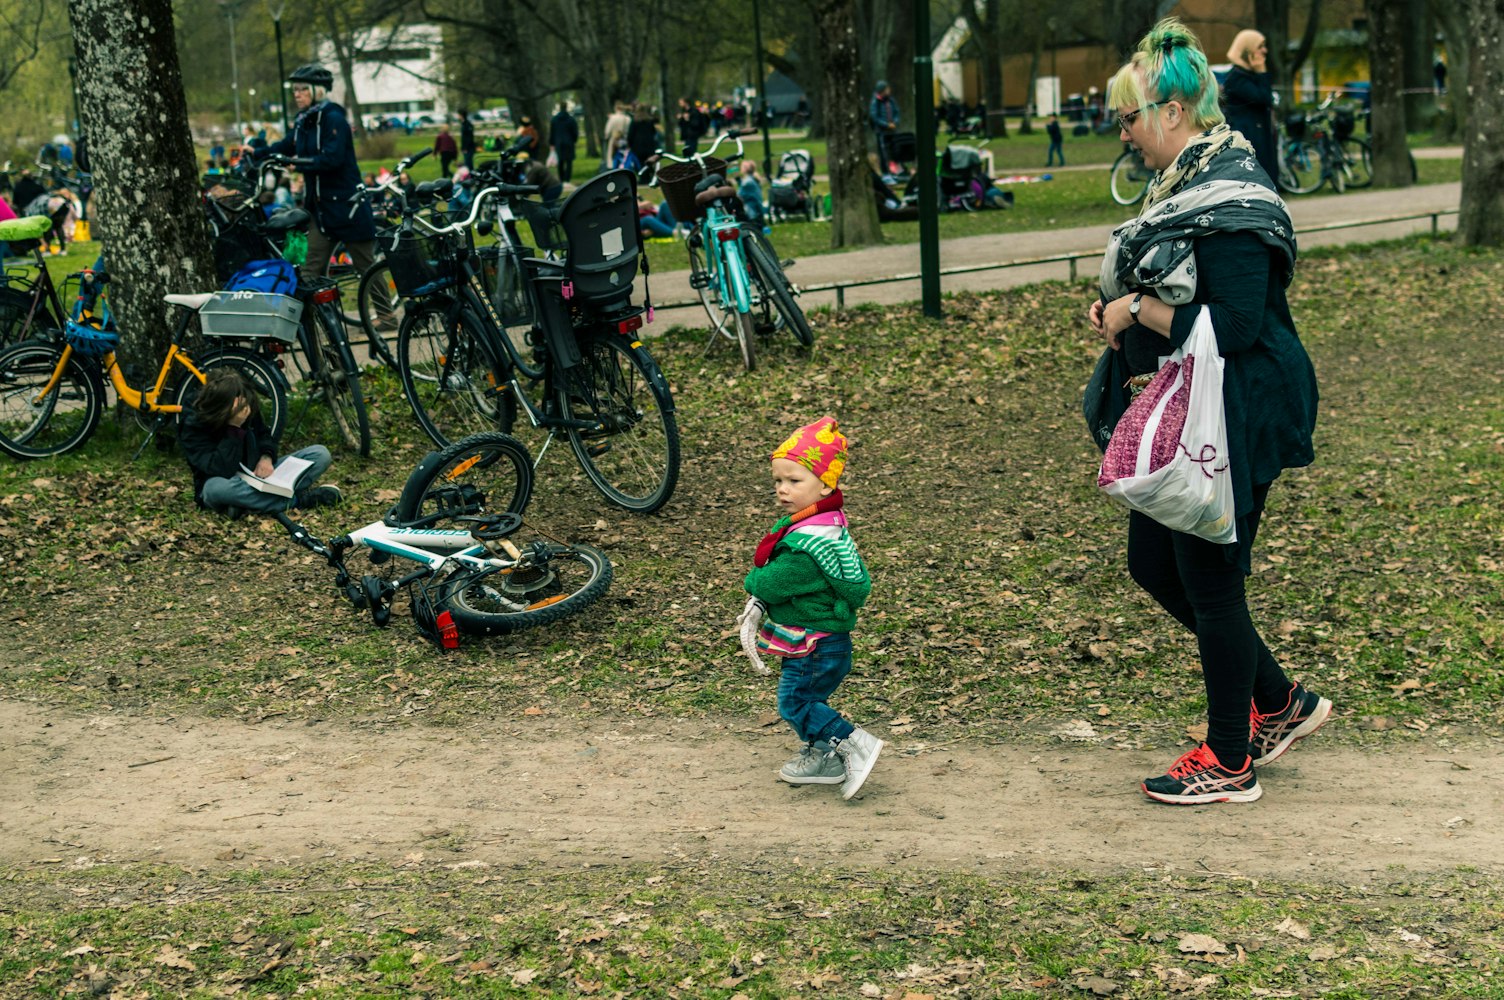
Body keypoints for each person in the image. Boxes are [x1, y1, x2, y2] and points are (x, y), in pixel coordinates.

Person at [1087, 18, 1326, 806]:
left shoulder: (1231, 195)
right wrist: (1121, 315)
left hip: (1242, 409)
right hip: (1198, 406)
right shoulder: (1186, 188)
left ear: (1174, 112)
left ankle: (1229, 760)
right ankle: (1280, 702)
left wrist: (1136, 310)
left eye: (1129, 117)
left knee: (1211, 580)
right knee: (1153, 564)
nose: (1125, 134)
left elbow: (1236, 326)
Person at [737, 417, 882, 801]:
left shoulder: (808, 544)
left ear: (826, 484)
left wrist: (754, 581)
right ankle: (824, 759)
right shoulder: (822, 526)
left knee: (795, 702)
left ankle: (853, 742)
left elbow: (768, 581)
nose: (783, 489)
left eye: (794, 480)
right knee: (807, 700)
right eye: (778, 481)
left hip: (814, 643)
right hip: (822, 640)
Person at [257, 64, 379, 286]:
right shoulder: (303, 120)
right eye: (295, 90)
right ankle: (319, 310)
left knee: (367, 269)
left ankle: (385, 310)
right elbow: (285, 146)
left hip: (347, 207)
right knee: (308, 272)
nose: (297, 94)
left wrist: (299, 164)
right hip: (320, 211)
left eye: (303, 89)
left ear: (318, 91)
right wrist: (256, 153)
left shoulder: (334, 119)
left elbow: (333, 159)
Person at [180, 368, 341, 517]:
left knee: (320, 454)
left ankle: (246, 504)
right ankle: (298, 501)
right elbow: (219, 469)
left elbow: (264, 435)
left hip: (257, 475)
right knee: (215, 490)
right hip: (224, 481)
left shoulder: (245, 405)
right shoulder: (193, 424)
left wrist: (266, 457)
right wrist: (234, 428)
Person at [1222, 29, 1278, 182]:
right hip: (1249, 138)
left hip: (1260, 138)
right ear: (1246, 51)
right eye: (1260, 47)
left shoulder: (1248, 76)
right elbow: (1264, 98)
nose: (1264, 51)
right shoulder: (1237, 78)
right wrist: (1262, 72)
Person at [868, 80, 900, 168]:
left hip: (892, 130)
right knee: (883, 151)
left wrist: (895, 122)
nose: (889, 90)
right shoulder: (876, 102)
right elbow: (874, 117)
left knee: (894, 149)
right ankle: (885, 168)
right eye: (886, 89)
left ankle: (895, 167)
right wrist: (886, 125)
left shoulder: (891, 100)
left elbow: (896, 111)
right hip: (881, 131)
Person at [550, 101, 579, 183]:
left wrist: (552, 143)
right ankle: (567, 179)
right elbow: (575, 132)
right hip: (569, 142)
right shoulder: (571, 119)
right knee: (569, 161)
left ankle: (561, 178)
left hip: (558, 143)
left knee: (560, 161)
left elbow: (552, 133)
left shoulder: (554, 119)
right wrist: (574, 140)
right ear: (566, 107)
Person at [737, 159, 768, 234]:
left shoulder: (747, 182)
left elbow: (739, 196)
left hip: (751, 213)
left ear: (745, 169)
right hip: (758, 211)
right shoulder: (753, 179)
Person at [626, 104, 659, 174]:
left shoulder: (634, 121)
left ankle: (643, 175)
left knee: (640, 162)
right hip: (649, 145)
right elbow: (653, 132)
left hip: (638, 145)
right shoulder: (650, 121)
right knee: (649, 162)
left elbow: (631, 134)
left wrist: (630, 144)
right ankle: (650, 174)